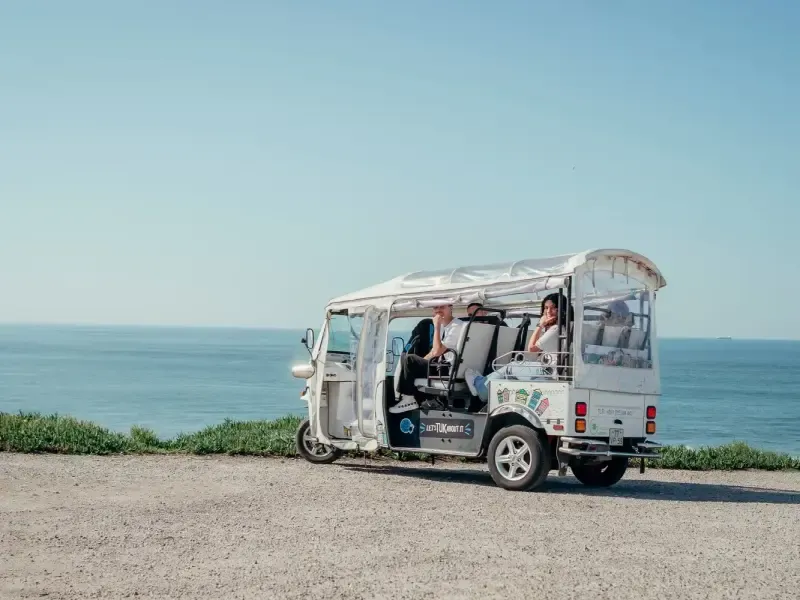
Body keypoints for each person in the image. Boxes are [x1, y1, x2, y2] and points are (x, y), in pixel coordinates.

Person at [389, 304, 465, 413]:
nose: (438, 310)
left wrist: (437, 326)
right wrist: (422, 361)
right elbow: (434, 352)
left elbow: (437, 350)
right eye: (435, 308)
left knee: (409, 360)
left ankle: (408, 400)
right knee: (412, 362)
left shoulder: (456, 326)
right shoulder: (447, 326)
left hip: (446, 370)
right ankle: (429, 400)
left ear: (451, 307)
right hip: (442, 366)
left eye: (442, 307)